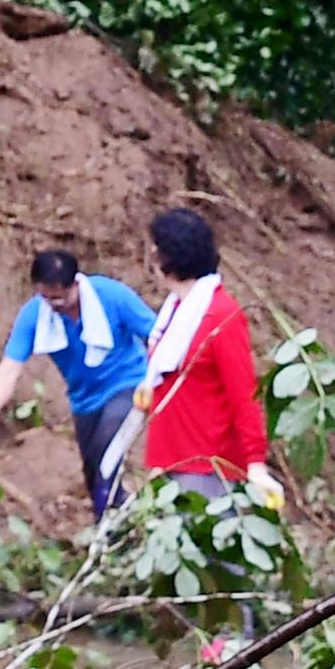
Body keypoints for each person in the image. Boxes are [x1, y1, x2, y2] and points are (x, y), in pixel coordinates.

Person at [0, 248, 158, 523]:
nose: (56, 305)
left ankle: (118, 517)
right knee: (93, 472)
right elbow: (9, 369)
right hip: (84, 401)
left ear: (76, 283)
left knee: (107, 453)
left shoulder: (111, 295)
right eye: (48, 298)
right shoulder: (35, 315)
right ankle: (110, 526)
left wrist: (160, 381)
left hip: (128, 385)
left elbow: (158, 335)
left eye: (61, 297)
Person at [129, 206, 280, 516]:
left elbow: (244, 393)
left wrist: (255, 462)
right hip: (171, 459)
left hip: (208, 465)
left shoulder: (220, 314)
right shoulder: (174, 313)